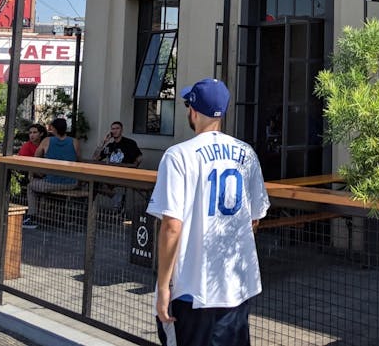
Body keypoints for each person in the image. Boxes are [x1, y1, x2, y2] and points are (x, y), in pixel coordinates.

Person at [149, 78, 269, 346]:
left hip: (192, 286)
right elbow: (255, 219)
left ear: (192, 111)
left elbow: (171, 226)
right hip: (236, 283)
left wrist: (163, 286)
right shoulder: (246, 153)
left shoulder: (178, 155)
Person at [24, 117, 81, 229]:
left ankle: (32, 217)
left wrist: (40, 172)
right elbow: (79, 159)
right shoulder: (74, 142)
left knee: (31, 186)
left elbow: (36, 157)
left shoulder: (47, 141)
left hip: (52, 183)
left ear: (54, 129)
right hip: (71, 183)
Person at [92, 120, 143, 213]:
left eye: (117, 128)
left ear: (121, 130)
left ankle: (116, 200)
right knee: (93, 182)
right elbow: (95, 158)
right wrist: (103, 142)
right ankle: (114, 199)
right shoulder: (110, 145)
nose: (114, 131)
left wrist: (134, 167)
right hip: (110, 173)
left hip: (124, 173)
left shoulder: (129, 143)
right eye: (113, 129)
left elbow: (139, 157)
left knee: (97, 183)